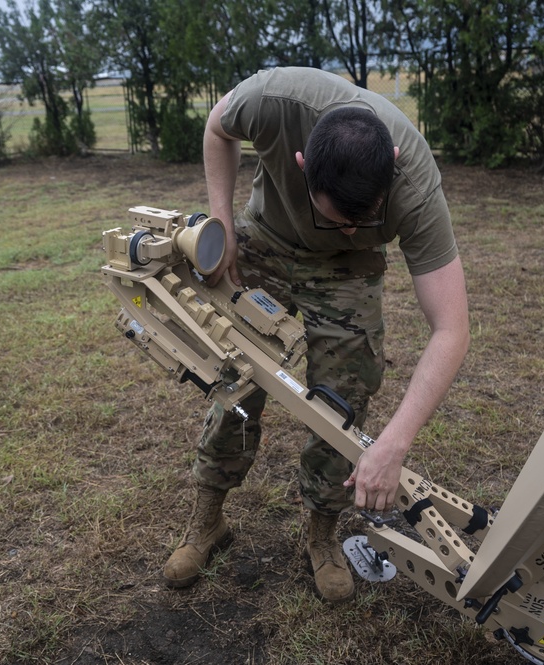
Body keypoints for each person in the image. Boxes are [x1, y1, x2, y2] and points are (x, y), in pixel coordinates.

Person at [164, 67, 470, 603]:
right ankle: (207, 520)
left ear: (392, 169)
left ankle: (322, 536)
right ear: (302, 163)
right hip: (267, 240)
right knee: (235, 376)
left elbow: (452, 328)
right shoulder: (273, 100)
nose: (350, 226)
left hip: (349, 272)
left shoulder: (416, 184)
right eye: (339, 216)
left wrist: (394, 444)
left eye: (363, 217)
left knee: (344, 397)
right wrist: (222, 224)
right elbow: (218, 128)